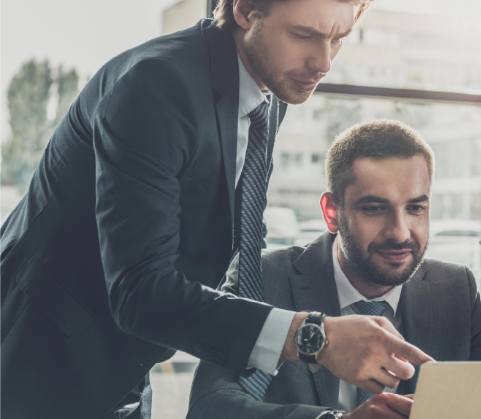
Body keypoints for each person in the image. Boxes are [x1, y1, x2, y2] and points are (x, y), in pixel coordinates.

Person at [0, 1, 434, 418]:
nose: (322, 62)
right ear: (245, 9)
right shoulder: (156, 85)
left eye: (338, 38)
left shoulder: (269, 88)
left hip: (123, 366)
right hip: (36, 364)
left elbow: (240, 233)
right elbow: (140, 292)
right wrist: (313, 336)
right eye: (305, 35)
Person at [187, 119, 481, 419]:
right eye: (375, 208)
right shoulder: (264, 277)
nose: (400, 232)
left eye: (415, 208)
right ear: (332, 212)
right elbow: (210, 406)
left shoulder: (454, 287)